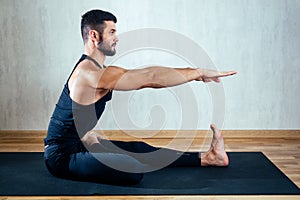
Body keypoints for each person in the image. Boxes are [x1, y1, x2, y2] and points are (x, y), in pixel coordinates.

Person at [44, 9, 237, 185]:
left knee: (137, 147)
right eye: (112, 32)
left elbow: (147, 74)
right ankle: (96, 148)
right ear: (94, 35)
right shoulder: (89, 74)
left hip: (78, 144)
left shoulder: (97, 69)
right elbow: (150, 78)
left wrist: (86, 137)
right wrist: (199, 73)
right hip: (61, 158)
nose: (116, 38)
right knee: (132, 168)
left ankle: (209, 158)